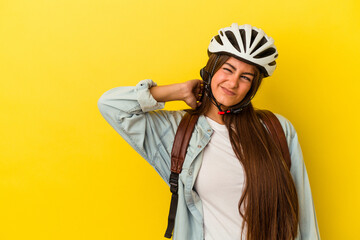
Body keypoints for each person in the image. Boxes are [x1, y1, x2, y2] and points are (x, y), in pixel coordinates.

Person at [97, 23, 320, 240]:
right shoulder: (178, 131)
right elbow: (111, 105)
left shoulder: (276, 129)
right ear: (211, 70)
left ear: (252, 87)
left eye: (245, 77)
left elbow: (304, 214)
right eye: (227, 70)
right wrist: (177, 91)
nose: (232, 83)